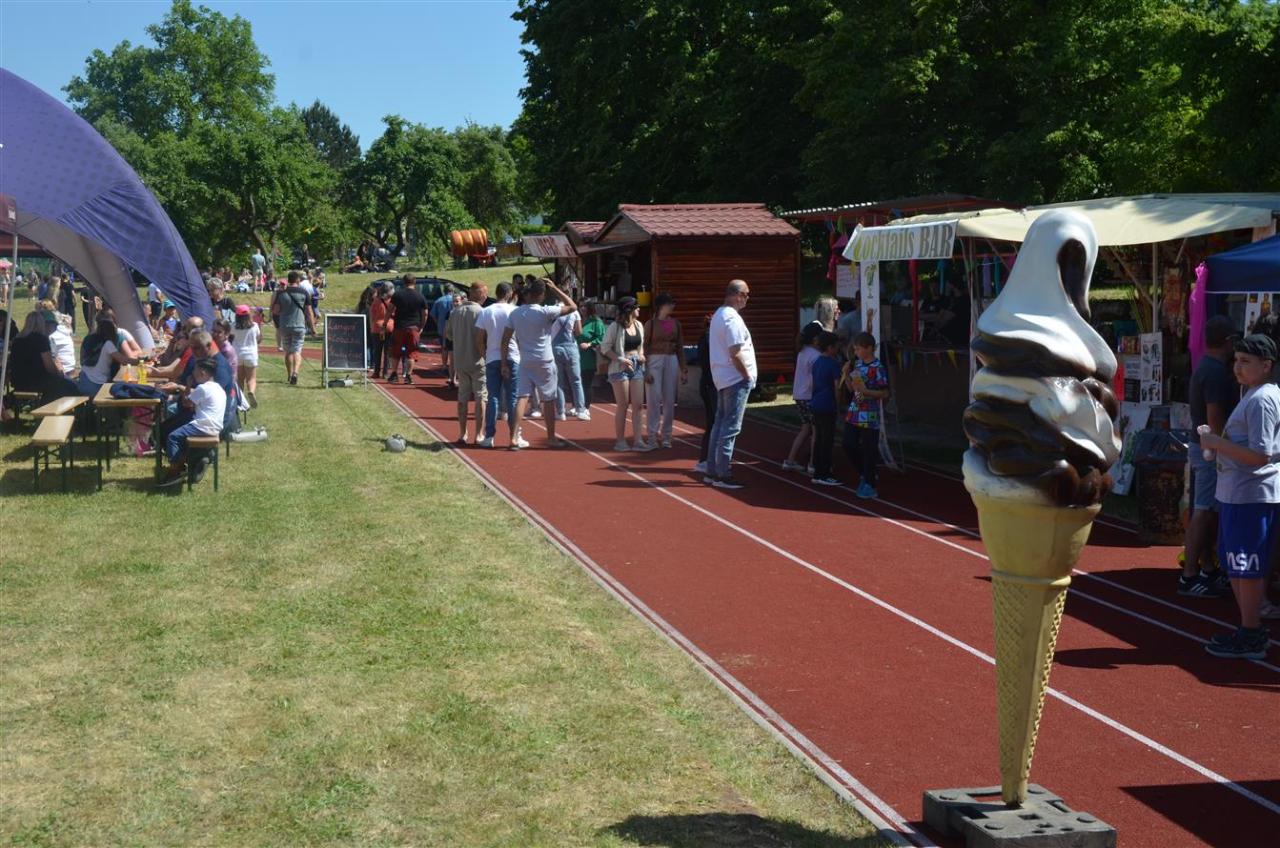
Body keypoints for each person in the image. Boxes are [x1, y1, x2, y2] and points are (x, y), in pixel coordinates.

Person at [1199, 334, 1280, 659]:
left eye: (1246, 361)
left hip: (1250, 494)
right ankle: (1250, 629)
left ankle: (1251, 631)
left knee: (1246, 564)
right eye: (1236, 360)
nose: (1238, 367)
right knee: (1235, 560)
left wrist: (1217, 443)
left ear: (1266, 365)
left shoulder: (1262, 399)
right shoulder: (1254, 395)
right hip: (1239, 493)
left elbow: (1261, 454)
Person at [1181, 315, 1240, 598]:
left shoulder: (1205, 366)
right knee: (1203, 511)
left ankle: (1206, 568)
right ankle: (1189, 575)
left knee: (1206, 510)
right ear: (1228, 342)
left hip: (1204, 447)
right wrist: (1228, 450)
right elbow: (1214, 417)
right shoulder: (1215, 372)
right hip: (1209, 450)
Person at [501, 277, 576, 450]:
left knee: (522, 397)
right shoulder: (546, 311)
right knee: (548, 399)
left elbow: (505, 340)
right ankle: (551, 438)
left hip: (525, 360)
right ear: (542, 295)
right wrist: (555, 288)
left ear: (528, 295)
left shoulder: (515, 313)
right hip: (545, 360)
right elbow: (573, 306)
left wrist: (504, 362)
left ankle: (513, 437)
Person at [705, 280, 756, 489]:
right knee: (730, 426)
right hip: (735, 378)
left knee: (720, 424)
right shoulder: (731, 318)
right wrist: (746, 375)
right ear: (737, 295)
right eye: (746, 294)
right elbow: (735, 352)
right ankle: (723, 473)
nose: (747, 298)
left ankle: (712, 470)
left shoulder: (719, 315)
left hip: (724, 377)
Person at [158, 358, 227, 487]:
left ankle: (176, 471)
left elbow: (186, 403)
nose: (193, 374)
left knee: (173, 437)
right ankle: (184, 461)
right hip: (215, 426)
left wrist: (188, 385)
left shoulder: (203, 388)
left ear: (202, 372)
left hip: (203, 425)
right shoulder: (219, 388)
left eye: (195, 370)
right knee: (178, 432)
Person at [841, 332, 890, 498]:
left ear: (869, 348)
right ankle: (865, 473)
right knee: (848, 444)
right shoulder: (858, 365)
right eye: (855, 349)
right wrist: (847, 376)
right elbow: (852, 390)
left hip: (869, 415)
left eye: (858, 349)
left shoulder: (878, 367)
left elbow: (884, 393)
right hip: (854, 412)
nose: (856, 352)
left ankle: (870, 484)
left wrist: (866, 391)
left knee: (869, 450)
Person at [475, 283, 519, 449]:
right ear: (509, 294)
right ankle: (514, 436)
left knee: (492, 396)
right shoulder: (514, 311)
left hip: (492, 357)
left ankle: (489, 436)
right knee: (512, 397)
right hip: (512, 356)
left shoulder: (486, 311)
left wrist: (485, 355)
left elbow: (479, 338)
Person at [603, 297, 650, 452]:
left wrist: (641, 355)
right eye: (637, 307)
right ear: (629, 309)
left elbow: (640, 347)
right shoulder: (615, 327)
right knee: (623, 405)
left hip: (637, 366)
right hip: (620, 367)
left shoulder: (639, 325)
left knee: (638, 405)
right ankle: (620, 441)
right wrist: (620, 359)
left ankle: (638, 440)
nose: (639, 309)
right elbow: (605, 348)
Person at [445, 283, 488, 443]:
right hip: (478, 361)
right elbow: (486, 336)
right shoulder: (481, 312)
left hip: (461, 360)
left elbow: (448, 334)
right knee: (480, 397)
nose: (486, 296)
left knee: (462, 397)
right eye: (485, 293)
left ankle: (463, 433)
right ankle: (479, 434)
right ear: (480, 294)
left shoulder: (455, 312)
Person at [643, 293, 687, 448]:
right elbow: (644, 347)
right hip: (654, 360)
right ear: (662, 305)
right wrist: (645, 370)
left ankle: (667, 435)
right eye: (670, 303)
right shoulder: (651, 324)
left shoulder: (676, 324)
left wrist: (683, 369)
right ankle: (652, 436)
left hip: (671, 359)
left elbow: (680, 347)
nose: (673, 306)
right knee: (653, 399)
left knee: (669, 399)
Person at [7, 310, 79, 402]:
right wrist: (59, 374)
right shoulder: (41, 340)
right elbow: (49, 367)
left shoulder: (17, 340)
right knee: (70, 387)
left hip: (18, 382)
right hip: (37, 381)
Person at [783, 323, 824, 474]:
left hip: (799, 395)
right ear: (815, 339)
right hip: (809, 395)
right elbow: (814, 379)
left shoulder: (802, 352)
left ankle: (790, 460)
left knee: (805, 428)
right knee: (816, 430)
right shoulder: (816, 356)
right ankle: (813, 463)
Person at [809, 331, 844, 486]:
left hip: (816, 403)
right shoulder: (833, 364)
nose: (837, 349)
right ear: (830, 347)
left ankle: (817, 470)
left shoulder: (817, 362)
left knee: (819, 438)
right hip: (827, 405)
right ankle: (824, 473)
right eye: (836, 347)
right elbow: (837, 387)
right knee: (827, 440)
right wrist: (838, 404)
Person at [77, 315, 142, 395]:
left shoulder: (89, 339)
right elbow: (124, 361)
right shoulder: (108, 344)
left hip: (83, 379)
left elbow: (81, 360)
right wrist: (141, 361)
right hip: (97, 384)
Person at [274, 270, 315, 386]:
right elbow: (309, 312)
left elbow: (276, 310)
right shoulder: (304, 292)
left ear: (288, 280)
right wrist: (313, 328)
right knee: (297, 350)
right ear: (297, 280)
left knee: (288, 351)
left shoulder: (281, 293)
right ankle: (295, 373)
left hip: (285, 325)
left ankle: (289, 374)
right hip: (299, 325)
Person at [386, 274, 427, 384]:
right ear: (415, 282)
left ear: (403, 282)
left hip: (399, 326)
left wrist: (385, 322)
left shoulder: (397, 295)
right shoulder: (420, 296)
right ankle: (408, 376)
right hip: (413, 327)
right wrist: (422, 326)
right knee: (411, 352)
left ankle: (394, 374)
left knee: (395, 351)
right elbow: (425, 313)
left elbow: (390, 309)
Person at [552, 303, 587, 421]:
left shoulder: (554, 310)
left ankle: (560, 412)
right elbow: (579, 332)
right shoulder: (574, 312)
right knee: (576, 381)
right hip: (571, 348)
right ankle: (580, 410)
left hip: (555, 347)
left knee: (558, 382)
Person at [694, 314, 717, 474]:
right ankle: (707, 460)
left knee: (713, 423)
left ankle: (707, 459)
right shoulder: (709, 339)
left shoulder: (707, 337)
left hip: (709, 383)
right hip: (711, 384)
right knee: (714, 423)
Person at [576, 301, 606, 411]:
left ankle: (585, 407)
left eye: (585, 306)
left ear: (590, 308)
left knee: (586, 383)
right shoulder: (577, 320)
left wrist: (589, 344)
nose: (583, 308)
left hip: (589, 357)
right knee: (575, 382)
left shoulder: (596, 322)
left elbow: (602, 338)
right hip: (575, 355)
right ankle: (576, 405)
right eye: (581, 306)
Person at [232, 305, 261, 408]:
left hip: (237, 354)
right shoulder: (255, 326)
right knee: (251, 378)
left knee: (240, 379)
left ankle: (240, 398)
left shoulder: (233, 326)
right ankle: (251, 392)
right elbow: (258, 338)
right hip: (251, 354)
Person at [368, 283, 395, 379]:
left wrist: (371, 327)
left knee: (377, 351)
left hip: (377, 328)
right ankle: (385, 372)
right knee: (387, 351)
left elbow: (372, 315)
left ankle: (376, 371)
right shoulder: (392, 301)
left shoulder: (376, 301)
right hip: (389, 327)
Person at [431, 285, 456, 384]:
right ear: (452, 291)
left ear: (444, 290)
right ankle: (453, 367)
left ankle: (445, 365)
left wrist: (438, 322)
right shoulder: (456, 300)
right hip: (455, 328)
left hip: (442, 328)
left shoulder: (439, 301)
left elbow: (433, 314)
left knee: (444, 347)